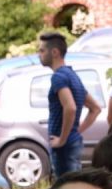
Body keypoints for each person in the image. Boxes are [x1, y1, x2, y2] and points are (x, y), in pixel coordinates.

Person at [38, 31, 102, 177]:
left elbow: (70, 107)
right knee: (74, 185)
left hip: (64, 148)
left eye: (42, 50)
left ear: (54, 52)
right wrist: (77, 131)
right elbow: (95, 108)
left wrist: (62, 139)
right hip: (73, 143)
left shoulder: (58, 77)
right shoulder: (72, 76)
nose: (39, 54)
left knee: (66, 188)